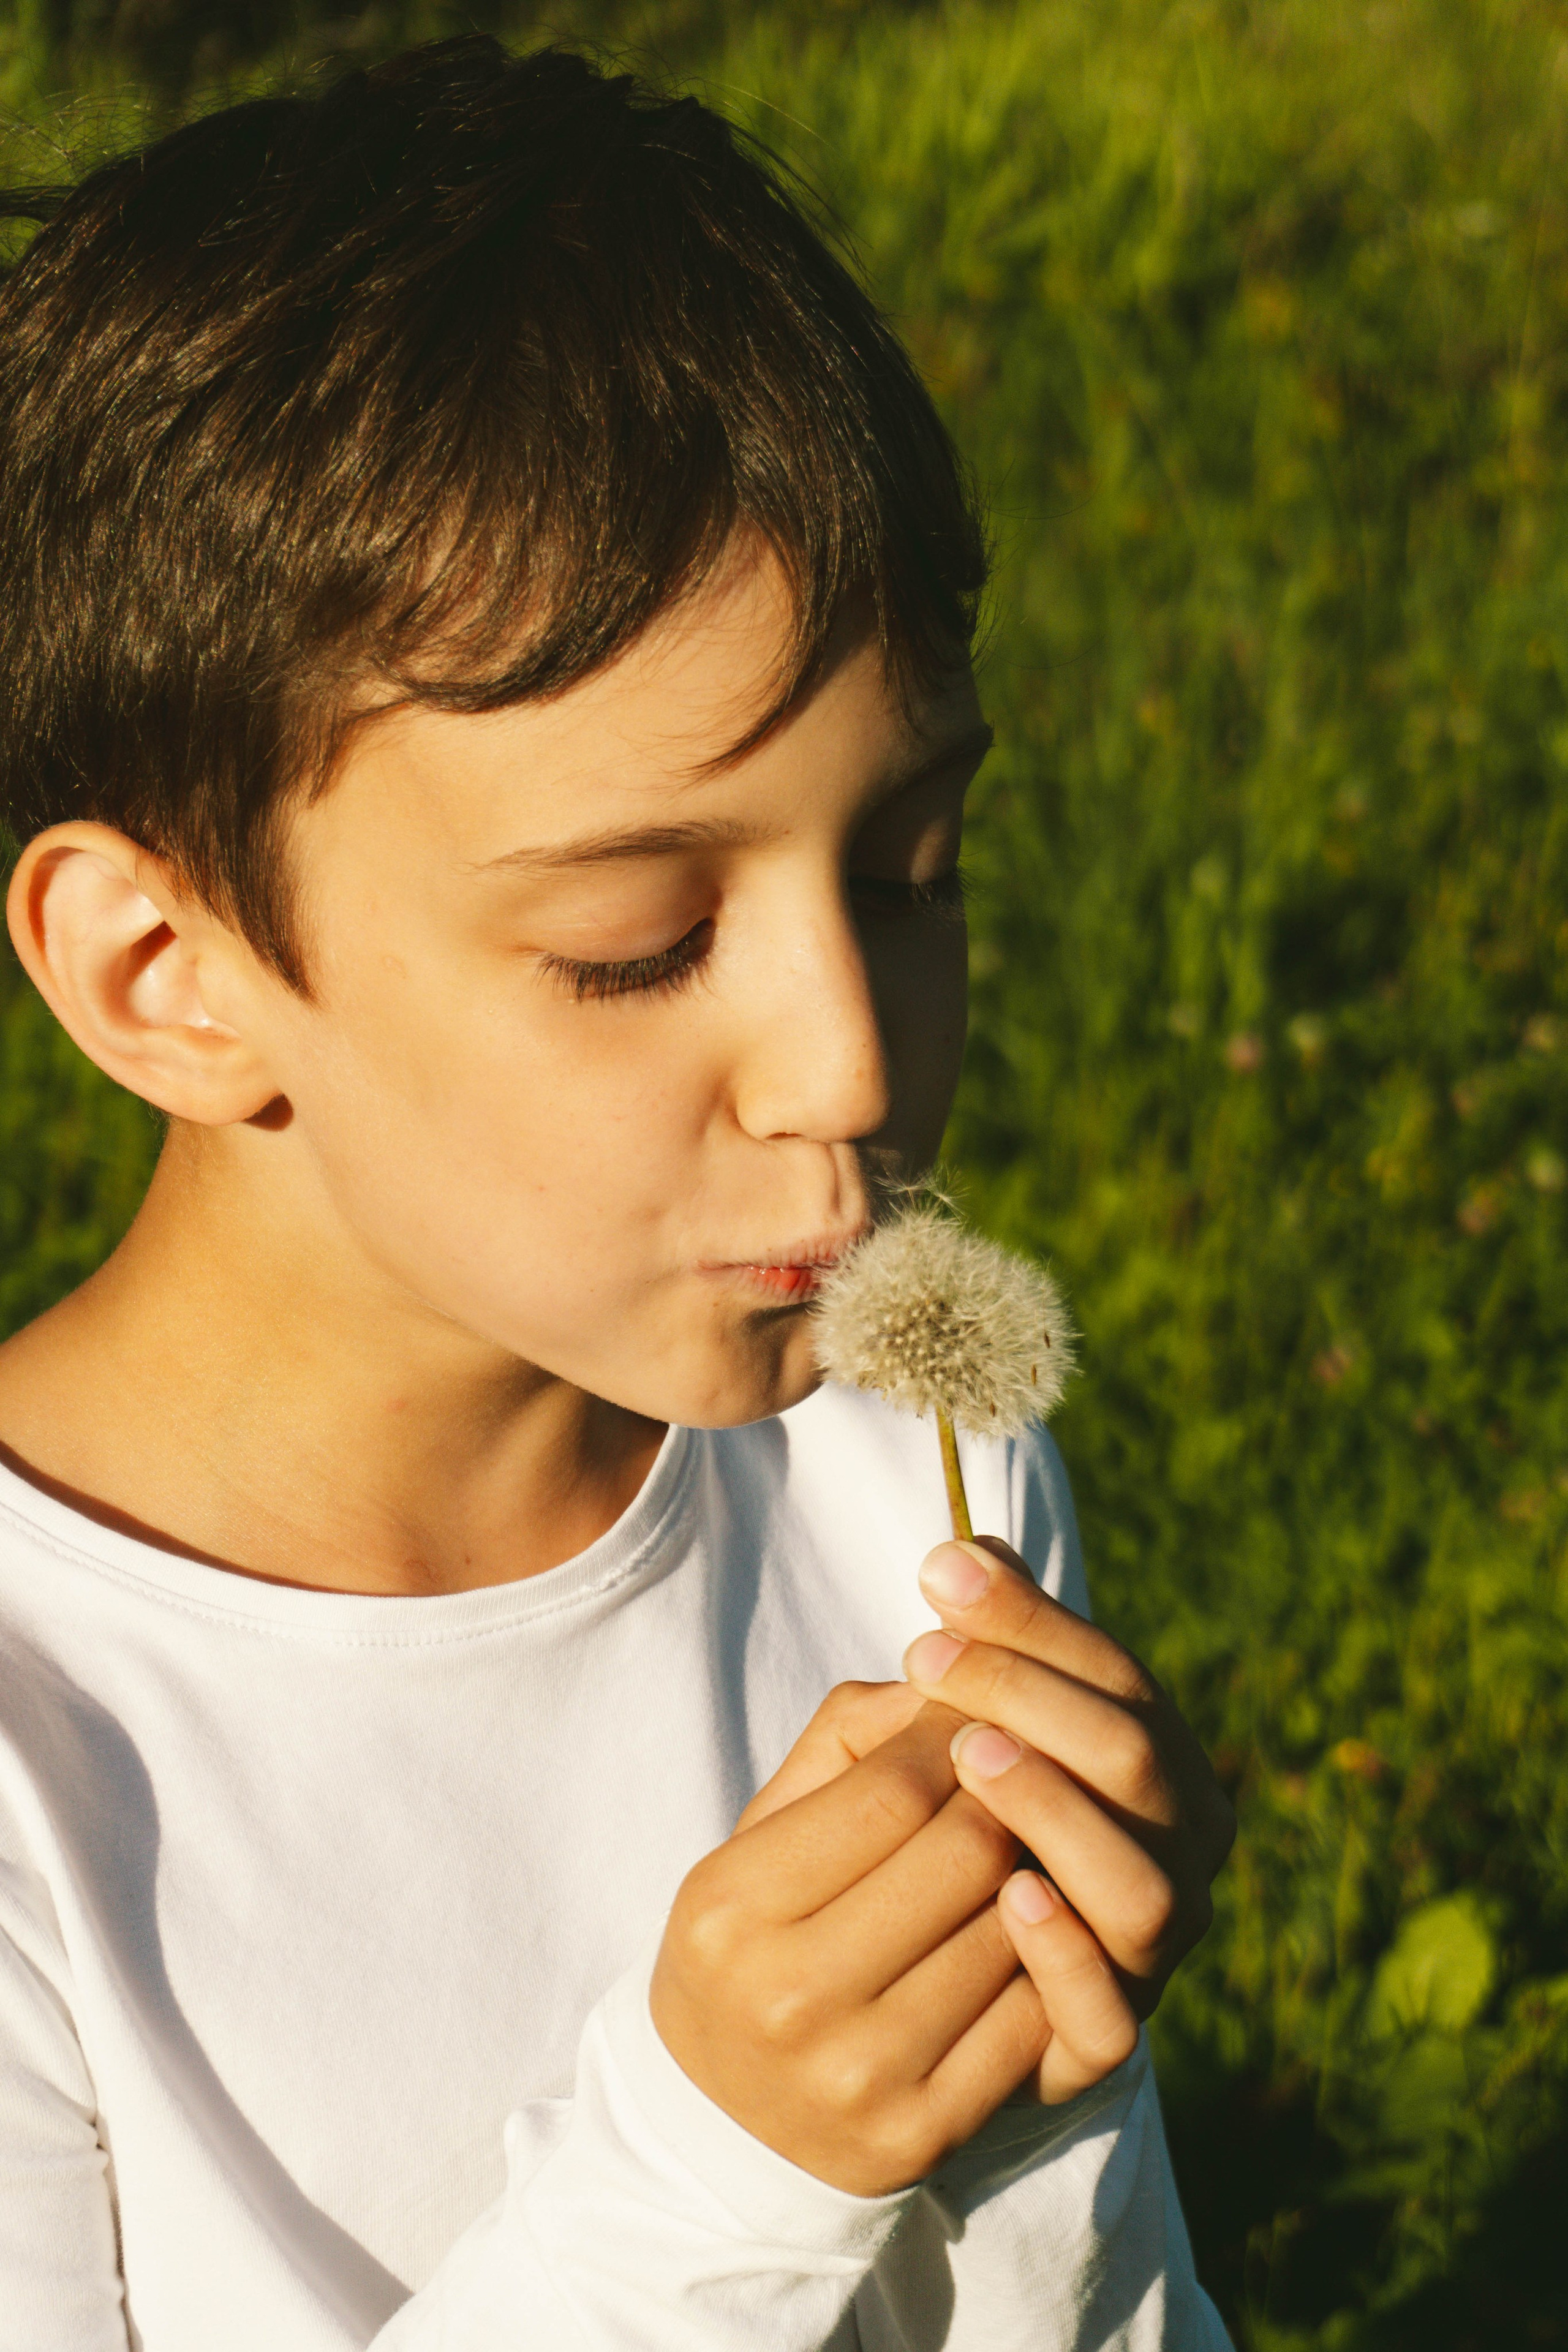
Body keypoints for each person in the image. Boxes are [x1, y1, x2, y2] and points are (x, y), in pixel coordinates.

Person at [0, 37, 1235, 2350]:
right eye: (638, 944)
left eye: (913, 871)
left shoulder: (907, 1486)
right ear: (167, 977)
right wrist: (719, 2181)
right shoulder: (46, 1762)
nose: (851, 1062)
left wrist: (1039, 2120)